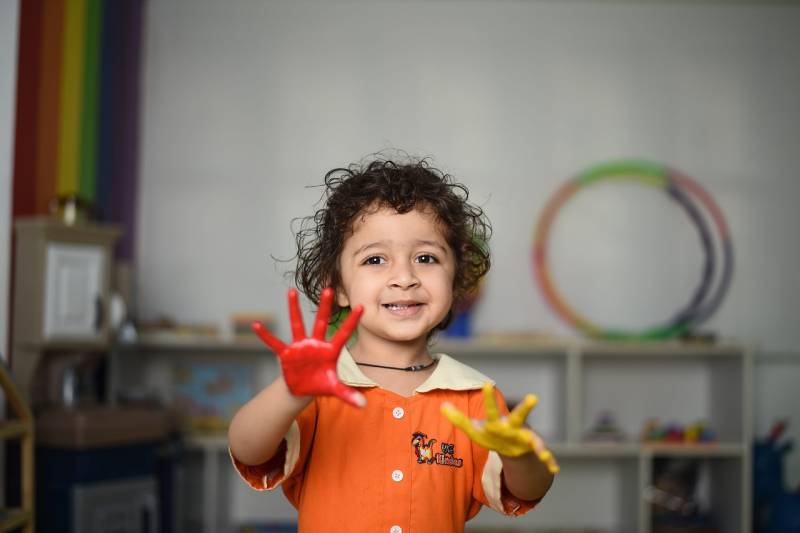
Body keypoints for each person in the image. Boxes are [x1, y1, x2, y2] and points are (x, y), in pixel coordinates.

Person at [228, 155, 558, 533]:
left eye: (426, 257)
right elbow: (248, 450)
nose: (404, 277)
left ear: (457, 279)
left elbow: (528, 490)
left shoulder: (473, 394)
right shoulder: (318, 386)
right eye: (375, 259)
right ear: (335, 285)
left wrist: (521, 456)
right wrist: (290, 391)